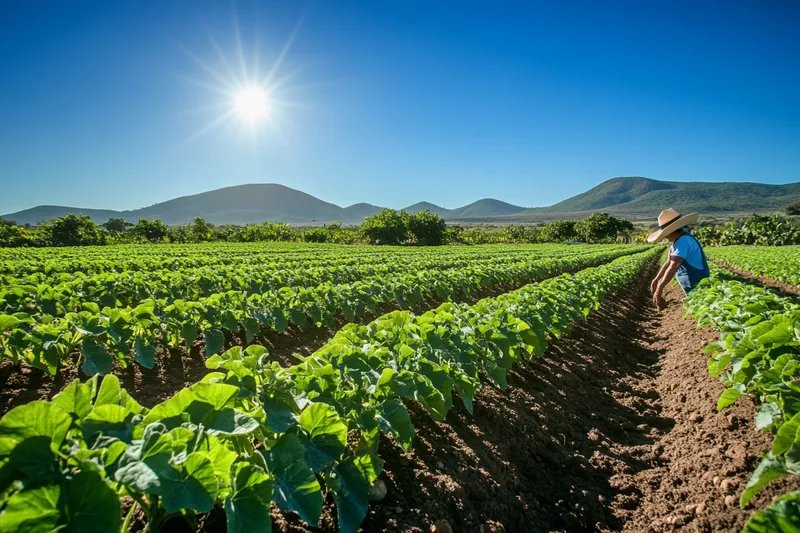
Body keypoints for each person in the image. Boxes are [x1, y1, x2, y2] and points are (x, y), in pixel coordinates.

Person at [647, 208, 710, 309]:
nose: (665, 237)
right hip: (691, 286)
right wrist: (656, 280)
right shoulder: (677, 241)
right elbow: (668, 262)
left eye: (665, 234)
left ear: (671, 231)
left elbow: (673, 266)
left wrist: (660, 287)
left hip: (697, 284)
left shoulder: (683, 241)